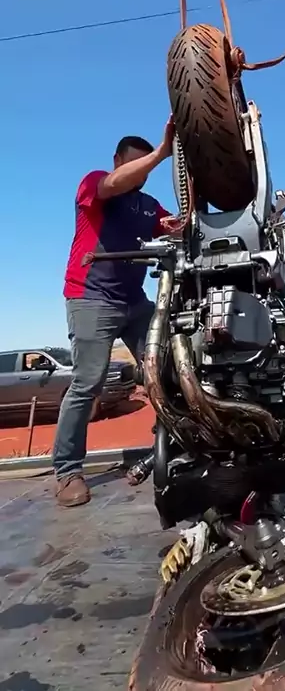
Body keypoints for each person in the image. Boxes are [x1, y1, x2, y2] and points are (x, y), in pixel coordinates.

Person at [53, 118, 180, 507]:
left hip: (134, 302)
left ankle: (178, 444)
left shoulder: (148, 206)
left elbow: (174, 226)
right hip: (91, 297)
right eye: (134, 163)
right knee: (88, 382)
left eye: (145, 165)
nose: (141, 172)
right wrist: (161, 153)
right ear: (117, 161)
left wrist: (179, 224)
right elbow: (114, 184)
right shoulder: (95, 183)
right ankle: (67, 471)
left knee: (167, 369)